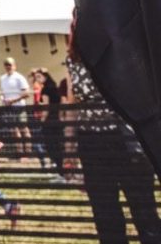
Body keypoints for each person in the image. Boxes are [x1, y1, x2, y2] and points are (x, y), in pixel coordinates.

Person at [65, 16, 161, 244]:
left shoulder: (124, 51)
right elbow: (71, 105)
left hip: (126, 141)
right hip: (91, 144)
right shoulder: (73, 61)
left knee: (143, 207)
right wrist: (69, 149)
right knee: (105, 211)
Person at [0, 56, 32, 159]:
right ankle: (20, 153)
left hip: (19, 107)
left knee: (23, 129)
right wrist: (3, 99)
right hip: (9, 107)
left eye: (10, 65)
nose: (8, 67)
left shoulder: (19, 77)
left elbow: (26, 93)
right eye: (6, 65)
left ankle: (28, 153)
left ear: (14, 66)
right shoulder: (3, 78)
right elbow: (3, 92)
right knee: (14, 130)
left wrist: (14, 100)